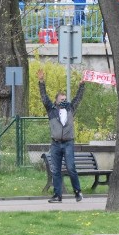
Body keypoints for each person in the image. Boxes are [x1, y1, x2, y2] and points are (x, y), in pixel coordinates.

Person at [38, 68, 86, 203]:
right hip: (56, 143)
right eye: (61, 99)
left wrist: (81, 85)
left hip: (68, 142)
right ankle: (57, 195)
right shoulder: (52, 110)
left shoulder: (70, 108)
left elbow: (78, 98)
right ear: (56, 101)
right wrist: (41, 82)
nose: (64, 101)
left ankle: (77, 192)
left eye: (65, 99)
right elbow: (44, 97)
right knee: (56, 170)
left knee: (71, 167)